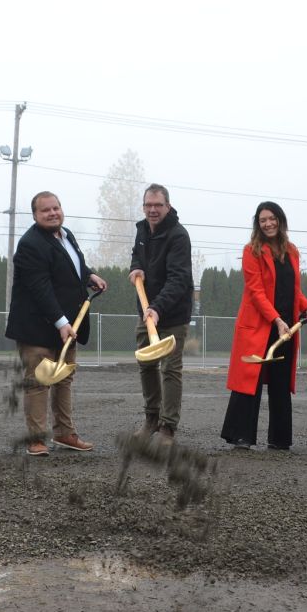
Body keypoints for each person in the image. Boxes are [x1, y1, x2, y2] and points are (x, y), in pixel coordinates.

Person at [5, 191, 108, 456]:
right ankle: (36, 439)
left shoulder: (67, 235)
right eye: (45, 210)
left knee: (63, 379)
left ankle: (64, 433)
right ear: (35, 215)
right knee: (39, 381)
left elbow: (72, 269)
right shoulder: (30, 244)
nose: (52, 213)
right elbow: (41, 288)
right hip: (37, 327)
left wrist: (89, 275)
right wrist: (61, 322)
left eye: (56, 208)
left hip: (68, 324)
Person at [221, 202, 307, 450]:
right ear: (258, 224)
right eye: (263, 220)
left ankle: (280, 439)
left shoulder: (292, 251)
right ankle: (240, 436)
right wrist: (276, 320)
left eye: (272, 218)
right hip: (259, 325)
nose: (268, 223)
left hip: (287, 326)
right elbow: (256, 291)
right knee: (249, 380)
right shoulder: (251, 251)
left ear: (280, 220)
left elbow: (293, 289)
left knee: (280, 380)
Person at [129, 183, 194, 444]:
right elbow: (137, 255)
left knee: (170, 369)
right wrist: (136, 268)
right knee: (146, 365)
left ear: (168, 206)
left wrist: (158, 308)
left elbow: (179, 278)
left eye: (158, 205)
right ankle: (151, 419)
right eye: (148, 205)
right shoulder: (142, 230)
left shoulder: (178, 235)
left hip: (172, 313)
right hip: (147, 312)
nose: (152, 210)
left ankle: (168, 427)